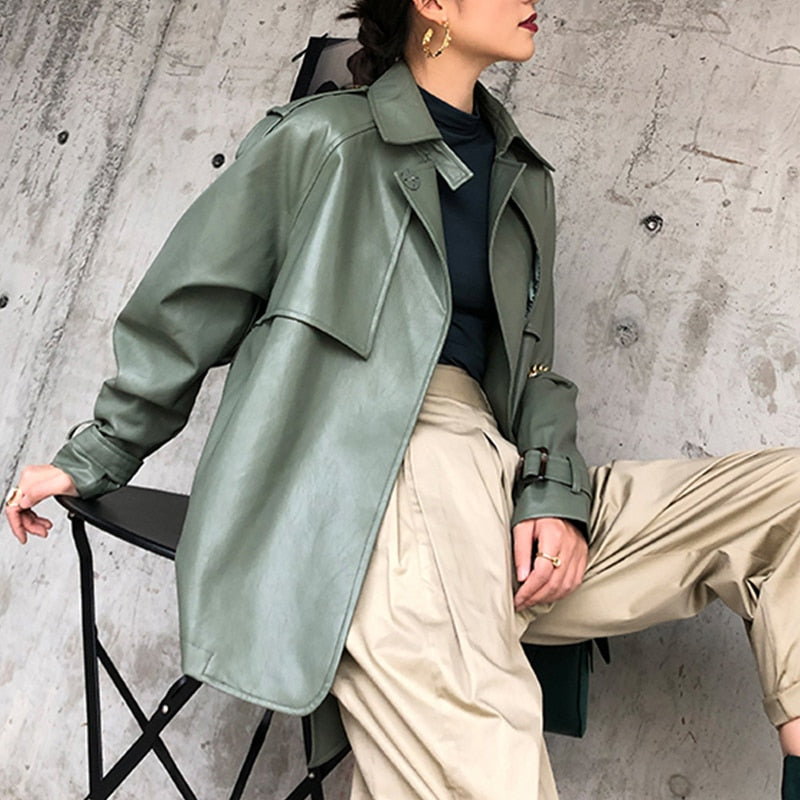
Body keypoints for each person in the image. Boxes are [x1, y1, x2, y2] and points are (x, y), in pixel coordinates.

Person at [6, 0, 800, 797]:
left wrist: (551, 496)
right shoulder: (327, 140)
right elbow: (188, 303)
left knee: (783, 502)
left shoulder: (522, 177)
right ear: (435, 5)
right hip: (381, 475)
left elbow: (534, 373)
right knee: (484, 769)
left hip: (497, 484)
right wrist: (99, 452)